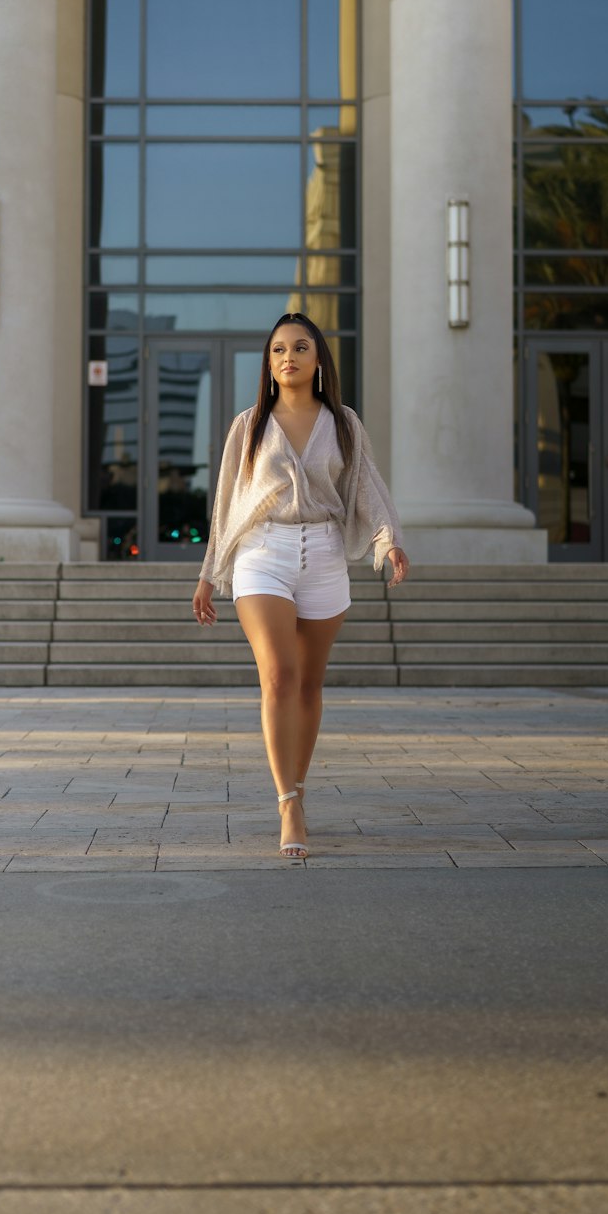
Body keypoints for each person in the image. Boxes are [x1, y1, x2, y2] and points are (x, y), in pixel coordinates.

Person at [192, 312, 409, 860]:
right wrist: (209, 572)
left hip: (326, 556)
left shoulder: (343, 423)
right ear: (269, 365)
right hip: (262, 553)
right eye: (278, 350)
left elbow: (367, 489)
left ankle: (299, 787)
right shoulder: (248, 426)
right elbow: (225, 503)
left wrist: (388, 543)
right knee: (280, 677)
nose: (288, 357)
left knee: (310, 684)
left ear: (318, 360)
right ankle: (288, 803)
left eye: (300, 347)